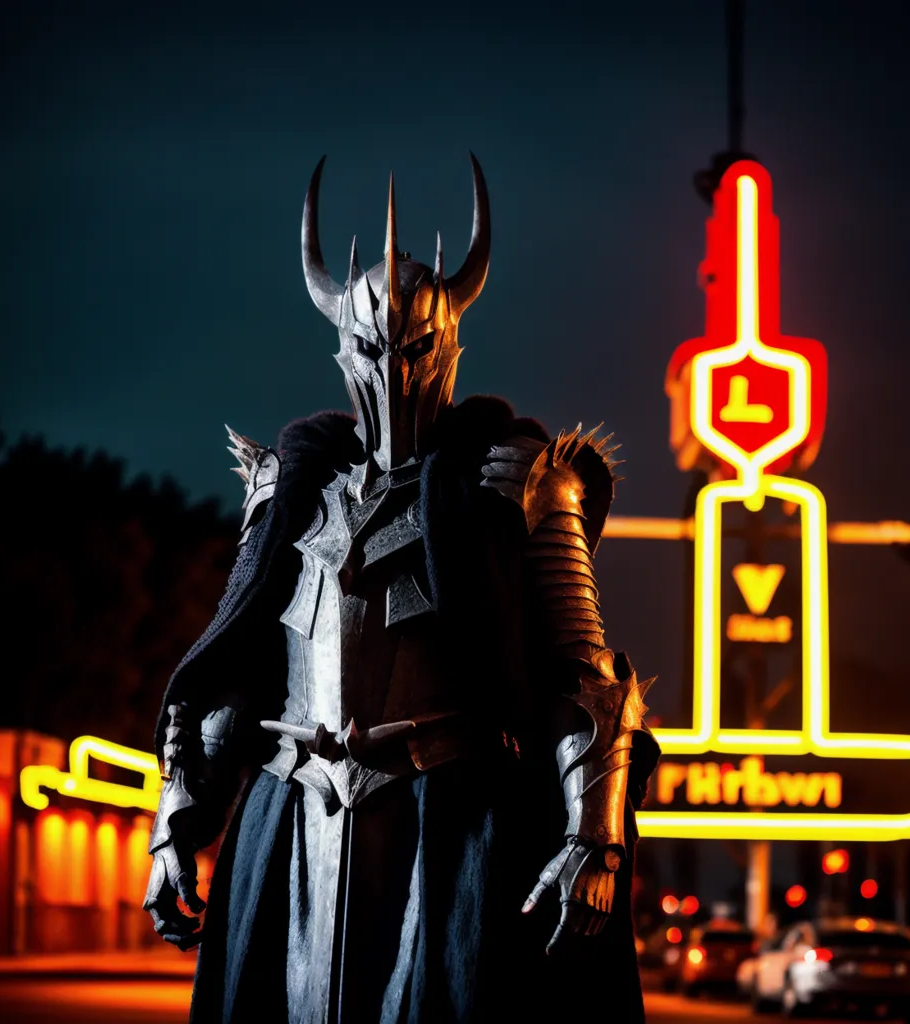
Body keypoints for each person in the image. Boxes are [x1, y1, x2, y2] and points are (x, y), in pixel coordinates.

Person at [143, 154, 660, 1023]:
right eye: (373, 349)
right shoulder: (287, 493)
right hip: (291, 823)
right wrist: (178, 823)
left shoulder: (520, 484)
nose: (393, 371)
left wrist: (592, 839)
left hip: (450, 827)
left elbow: (586, 677)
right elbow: (236, 670)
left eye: (414, 348)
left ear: (449, 344)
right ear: (343, 351)